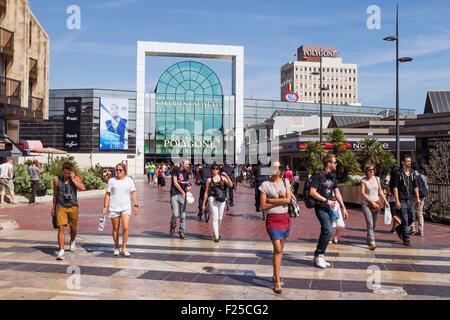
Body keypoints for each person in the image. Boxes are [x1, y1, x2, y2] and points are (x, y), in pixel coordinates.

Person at [309, 154, 349, 269]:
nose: (336, 164)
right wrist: (326, 200)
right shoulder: (319, 176)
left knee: (328, 232)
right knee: (326, 229)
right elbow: (312, 192)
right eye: (335, 162)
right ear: (329, 163)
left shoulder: (332, 176)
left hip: (330, 208)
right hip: (321, 207)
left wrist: (343, 207)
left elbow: (337, 192)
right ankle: (318, 256)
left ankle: (320, 255)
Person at [259, 161, 292, 294]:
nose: (274, 169)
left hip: (285, 219)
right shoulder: (264, 185)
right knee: (278, 249)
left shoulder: (286, 183)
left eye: (277, 167)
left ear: (280, 170)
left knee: (280, 250)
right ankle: (277, 281)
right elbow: (263, 206)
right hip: (272, 221)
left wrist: (270, 200)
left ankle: (275, 274)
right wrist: (279, 200)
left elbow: (288, 200)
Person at [102, 163, 139, 257]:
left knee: (125, 227)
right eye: (116, 170)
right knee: (115, 228)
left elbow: (133, 193)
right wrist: (105, 206)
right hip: (114, 207)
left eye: (120, 170)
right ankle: (117, 247)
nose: (118, 172)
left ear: (124, 171)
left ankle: (124, 248)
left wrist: (136, 205)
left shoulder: (129, 180)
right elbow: (107, 194)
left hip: (126, 207)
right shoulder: (111, 181)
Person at [51, 162, 86, 260]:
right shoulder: (57, 180)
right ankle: (61, 250)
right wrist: (53, 207)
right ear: (62, 171)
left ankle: (72, 241)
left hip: (73, 206)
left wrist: (73, 180)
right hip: (61, 206)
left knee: (73, 228)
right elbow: (55, 195)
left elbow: (82, 188)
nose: (67, 175)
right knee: (61, 228)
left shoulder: (75, 179)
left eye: (68, 173)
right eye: (65, 173)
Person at [392, 155, 421, 246]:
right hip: (402, 199)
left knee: (412, 217)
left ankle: (399, 229)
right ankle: (406, 238)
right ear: (403, 162)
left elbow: (415, 186)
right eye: (407, 161)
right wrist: (397, 200)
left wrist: (417, 198)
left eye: (410, 161)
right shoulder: (398, 173)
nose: (409, 163)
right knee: (404, 219)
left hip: (410, 199)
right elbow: (395, 188)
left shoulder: (413, 173)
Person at [360, 164, 390, 250]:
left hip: (377, 203)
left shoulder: (377, 178)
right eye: (370, 170)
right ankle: (372, 243)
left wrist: (386, 201)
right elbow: (362, 193)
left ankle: (369, 237)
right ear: (366, 171)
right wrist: (371, 201)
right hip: (366, 204)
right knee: (370, 224)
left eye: (373, 169)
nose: (372, 171)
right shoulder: (363, 180)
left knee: (374, 225)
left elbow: (380, 190)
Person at [202, 164, 233, 242]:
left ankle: (216, 231)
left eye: (216, 169)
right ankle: (216, 236)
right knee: (215, 217)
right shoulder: (209, 180)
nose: (214, 170)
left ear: (219, 170)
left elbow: (230, 185)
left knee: (220, 218)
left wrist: (227, 176)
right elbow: (206, 192)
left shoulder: (222, 178)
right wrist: (203, 203)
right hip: (212, 198)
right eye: (213, 169)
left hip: (222, 199)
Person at [170, 160, 191, 239]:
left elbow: (188, 183)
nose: (188, 165)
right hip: (175, 194)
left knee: (183, 215)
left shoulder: (186, 173)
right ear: (182, 164)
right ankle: (172, 225)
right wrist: (182, 191)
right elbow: (175, 182)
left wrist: (188, 188)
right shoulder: (175, 169)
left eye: (188, 164)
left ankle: (182, 233)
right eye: (186, 164)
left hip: (183, 196)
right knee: (175, 214)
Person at [411, 164, 427, 237]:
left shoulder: (411, 175)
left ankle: (412, 228)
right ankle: (421, 231)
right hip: (422, 196)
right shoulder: (422, 175)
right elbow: (426, 186)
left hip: (414, 196)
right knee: (420, 213)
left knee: (411, 211)